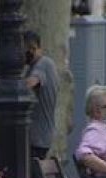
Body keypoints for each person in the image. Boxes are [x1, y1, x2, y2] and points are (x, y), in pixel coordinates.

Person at [24, 30, 59, 161]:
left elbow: (31, 82)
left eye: (31, 49)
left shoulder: (44, 63)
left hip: (38, 137)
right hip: (38, 136)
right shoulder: (32, 67)